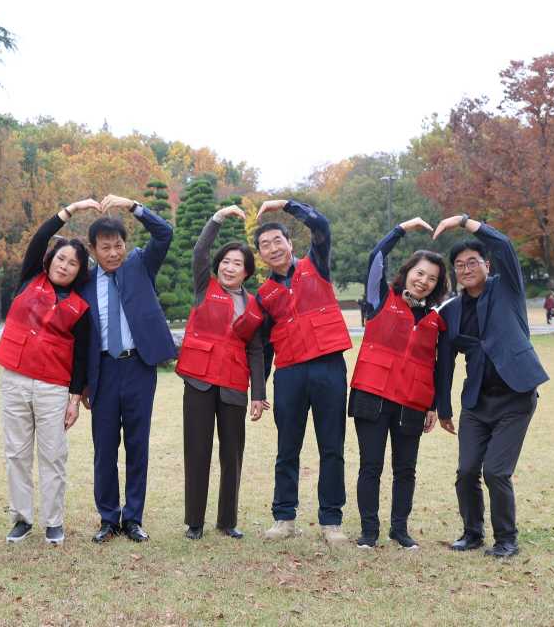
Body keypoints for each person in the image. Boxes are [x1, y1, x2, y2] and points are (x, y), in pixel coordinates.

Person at [433, 214, 549, 558]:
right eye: (459, 265)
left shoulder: (507, 288)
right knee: (467, 471)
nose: (466, 269)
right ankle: (472, 533)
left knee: (496, 471)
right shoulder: (451, 311)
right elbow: (444, 364)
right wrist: (444, 408)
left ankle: (506, 540)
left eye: (473, 262)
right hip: (477, 403)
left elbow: (504, 244)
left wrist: (464, 221)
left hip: (516, 396)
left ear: (487, 264)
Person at [0, 198, 100, 545]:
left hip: (54, 387)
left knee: (53, 454)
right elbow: (40, 237)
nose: (65, 265)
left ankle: (54, 520)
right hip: (16, 379)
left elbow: (82, 355)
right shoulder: (30, 279)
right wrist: (69, 211)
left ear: (80, 270)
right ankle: (22, 517)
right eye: (61, 258)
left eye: (73, 262)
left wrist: (74, 396)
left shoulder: (80, 306)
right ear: (50, 260)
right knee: (17, 453)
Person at [254, 199, 353, 545]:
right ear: (261, 256)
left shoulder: (317, 266)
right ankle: (284, 518)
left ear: (289, 243)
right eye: (265, 246)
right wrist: (258, 391)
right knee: (287, 447)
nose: (273, 248)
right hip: (290, 373)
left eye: (277, 241)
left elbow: (321, 225)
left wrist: (287, 205)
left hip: (328, 368)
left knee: (332, 447)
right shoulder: (263, 295)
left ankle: (331, 521)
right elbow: (263, 348)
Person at [350, 218, 449, 550]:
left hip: (412, 400)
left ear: (437, 286)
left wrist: (433, 404)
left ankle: (399, 529)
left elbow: (435, 365)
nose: (423, 281)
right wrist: (402, 229)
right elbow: (376, 256)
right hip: (372, 395)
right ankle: (368, 531)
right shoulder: (380, 298)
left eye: (431, 279)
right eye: (419, 273)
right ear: (408, 272)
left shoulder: (435, 319)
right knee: (371, 465)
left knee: (406, 469)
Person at [82, 193, 175, 543]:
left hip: (139, 366)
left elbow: (164, 233)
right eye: (105, 247)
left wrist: (132, 205)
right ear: (92, 249)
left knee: (138, 444)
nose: (113, 253)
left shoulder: (139, 264)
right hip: (103, 372)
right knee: (104, 447)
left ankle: (133, 517)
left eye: (118, 244)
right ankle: (108, 517)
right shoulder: (85, 281)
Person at [175, 205, 269, 541]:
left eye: (237, 264)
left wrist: (259, 393)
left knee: (233, 453)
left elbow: (256, 350)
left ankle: (227, 520)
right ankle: (195, 522)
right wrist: (217, 217)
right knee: (197, 450)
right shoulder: (205, 286)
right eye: (226, 262)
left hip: (233, 384)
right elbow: (200, 250)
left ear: (246, 272)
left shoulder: (255, 304)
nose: (230, 268)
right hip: (199, 381)